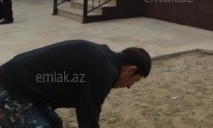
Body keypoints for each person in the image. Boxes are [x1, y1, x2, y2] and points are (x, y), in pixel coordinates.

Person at [0, 39, 151, 127]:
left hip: (24, 88)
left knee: (55, 124)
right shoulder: (104, 71)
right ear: (131, 70)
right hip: (11, 89)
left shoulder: (104, 60)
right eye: (134, 81)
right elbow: (88, 114)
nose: (129, 86)